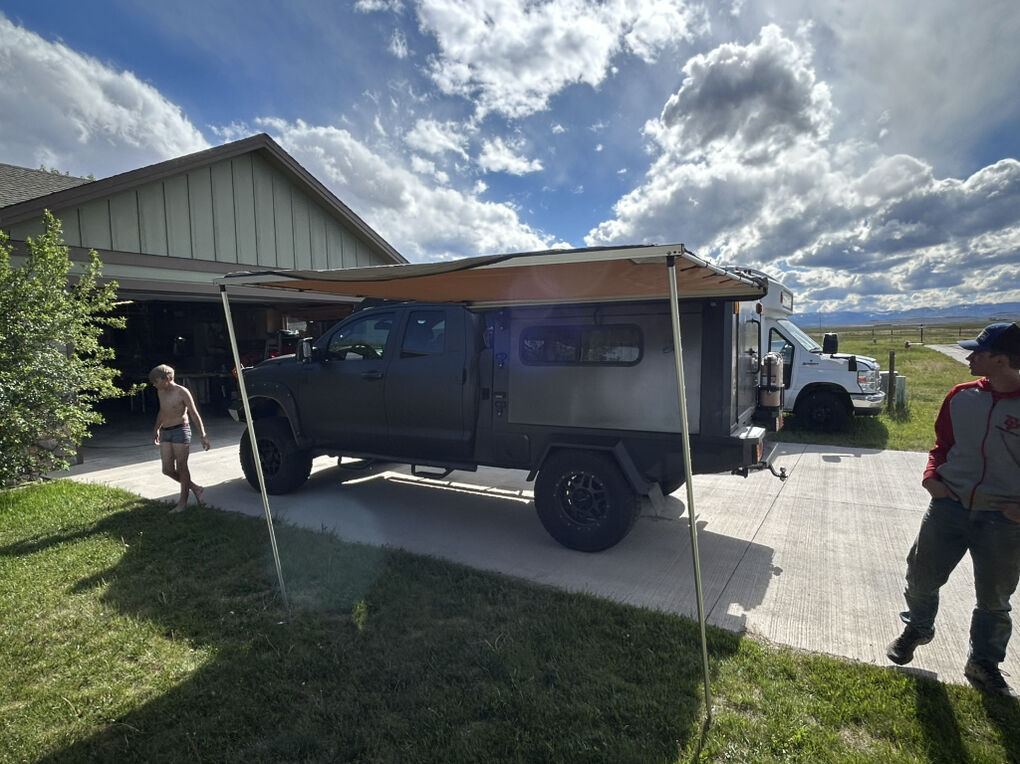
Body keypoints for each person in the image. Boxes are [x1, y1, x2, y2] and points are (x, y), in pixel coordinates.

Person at [886, 322, 1020, 698]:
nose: (970, 357)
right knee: (920, 577)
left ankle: (983, 663)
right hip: (949, 506)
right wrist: (932, 477)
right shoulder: (961, 396)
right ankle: (918, 628)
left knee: (994, 599)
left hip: (1003, 519)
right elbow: (942, 445)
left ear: (1002, 360)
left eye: (979, 351)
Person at [150, 364, 211, 513]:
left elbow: (194, 413)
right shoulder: (160, 391)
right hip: (166, 431)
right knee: (167, 469)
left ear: (167, 379)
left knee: (182, 467)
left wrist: (203, 435)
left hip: (180, 430)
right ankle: (195, 488)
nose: (154, 384)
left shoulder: (182, 392)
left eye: (156, 381)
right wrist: (156, 428)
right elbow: (163, 410)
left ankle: (182, 503)